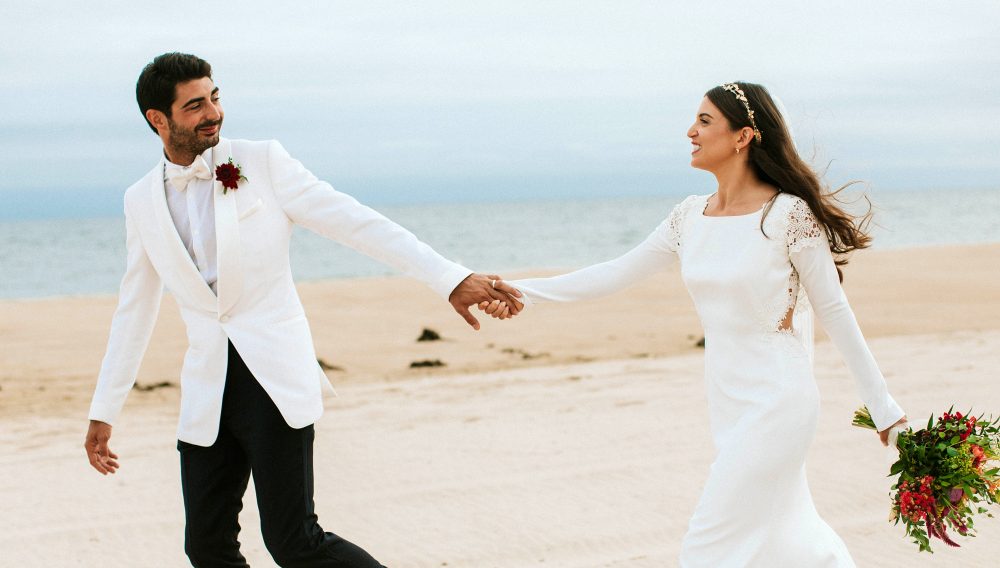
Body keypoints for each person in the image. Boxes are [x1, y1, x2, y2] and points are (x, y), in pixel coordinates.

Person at [83, 52, 523, 568]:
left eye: (215, 97)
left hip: (273, 378)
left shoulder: (261, 162)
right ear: (158, 119)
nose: (214, 113)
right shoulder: (140, 200)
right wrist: (103, 409)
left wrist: (449, 277)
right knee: (205, 546)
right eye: (195, 105)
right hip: (208, 389)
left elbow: (354, 221)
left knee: (294, 543)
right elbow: (134, 307)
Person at [479, 82, 908, 566]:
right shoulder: (689, 216)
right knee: (782, 535)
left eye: (705, 121)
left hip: (778, 401)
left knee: (708, 544)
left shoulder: (788, 215)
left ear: (743, 136)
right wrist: (521, 293)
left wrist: (884, 408)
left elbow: (835, 312)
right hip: (727, 400)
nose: (691, 131)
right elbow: (613, 273)